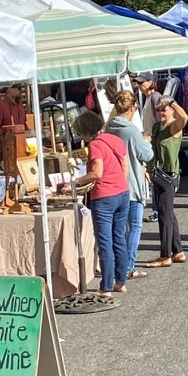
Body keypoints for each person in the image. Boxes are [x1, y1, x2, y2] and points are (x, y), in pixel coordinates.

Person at [72, 110, 131, 297]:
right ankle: (120, 281)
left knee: (105, 242)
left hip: (104, 196)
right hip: (122, 192)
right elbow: (124, 167)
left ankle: (106, 286)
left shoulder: (95, 145)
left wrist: (76, 181)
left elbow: (97, 172)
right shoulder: (115, 140)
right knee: (119, 238)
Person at [105, 90, 155, 283]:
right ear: (133, 108)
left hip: (115, 183)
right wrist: (147, 143)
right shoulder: (131, 130)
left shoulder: (110, 127)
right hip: (132, 182)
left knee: (120, 229)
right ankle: (128, 266)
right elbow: (146, 155)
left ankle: (120, 264)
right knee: (135, 226)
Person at [141, 97, 188, 267]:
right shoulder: (157, 127)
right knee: (167, 213)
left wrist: (173, 102)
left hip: (169, 175)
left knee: (164, 215)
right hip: (157, 174)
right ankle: (178, 251)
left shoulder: (173, 126)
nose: (161, 112)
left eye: (164, 109)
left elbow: (185, 118)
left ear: (171, 111)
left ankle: (165, 256)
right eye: (158, 110)